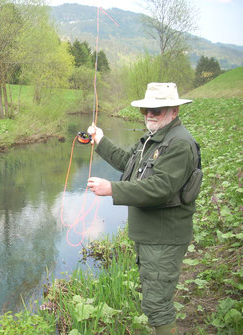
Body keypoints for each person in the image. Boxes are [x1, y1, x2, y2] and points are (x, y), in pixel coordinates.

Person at [87, 83, 201, 335]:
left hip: (164, 238)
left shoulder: (179, 144)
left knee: (157, 305)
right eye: (146, 110)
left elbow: (160, 188)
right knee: (154, 300)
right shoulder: (154, 139)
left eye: (156, 110)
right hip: (151, 236)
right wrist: (101, 140)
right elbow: (129, 164)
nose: (150, 114)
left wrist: (112, 189)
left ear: (174, 110)